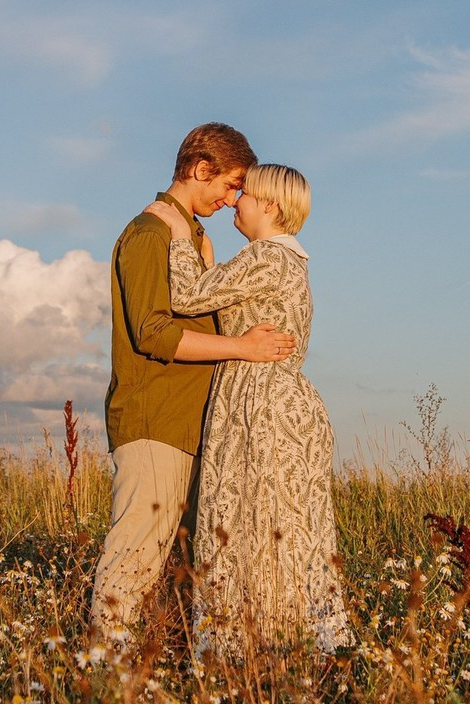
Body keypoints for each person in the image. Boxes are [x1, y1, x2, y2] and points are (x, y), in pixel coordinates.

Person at [89, 123, 297, 641]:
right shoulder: (150, 233)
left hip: (194, 424)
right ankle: (104, 678)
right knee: (134, 558)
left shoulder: (193, 238)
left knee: (187, 565)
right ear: (201, 170)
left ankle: (164, 667)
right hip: (156, 417)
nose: (233, 201)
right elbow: (154, 334)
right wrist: (244, 348)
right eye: (230, 185)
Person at [145, 163, 351, 658]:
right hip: (274, 399)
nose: (235, 200)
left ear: (270, 205)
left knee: (248, 522)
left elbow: (188, 296)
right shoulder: (286, 261)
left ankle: (242, 652)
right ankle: (294, 648)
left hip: (260, 404)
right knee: (280, 525)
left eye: (245, 194)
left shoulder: (267, 257)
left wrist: (176, 233)